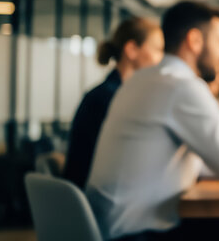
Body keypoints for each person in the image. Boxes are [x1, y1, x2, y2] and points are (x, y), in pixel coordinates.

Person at [86, 1, 219, 241]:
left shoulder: (143, 79)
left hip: (109, 228)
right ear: (194, 41)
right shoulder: (183, 87)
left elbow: (202, 164)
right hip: (137, 236)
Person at [63, 17, 163, 189]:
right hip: (95, 194)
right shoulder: (111, 98)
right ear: (132, 49)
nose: (160, 59)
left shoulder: (111, 91)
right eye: (157, 49)